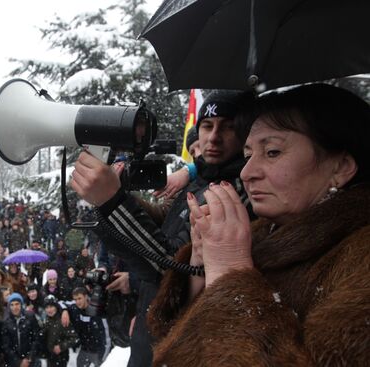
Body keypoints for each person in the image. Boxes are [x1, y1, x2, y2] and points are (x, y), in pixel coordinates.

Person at [147, 83, 370, 366]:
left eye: (272, 152)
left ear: (340, 167)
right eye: (249, 155)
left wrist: (232, 275)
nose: (247, 172)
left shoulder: (361, 261)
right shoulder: (253, 236)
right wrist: (200, 272)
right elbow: (180, 342)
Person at [70, 90, 252, 367]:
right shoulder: (201, 178)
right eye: (207, 126)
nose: (214, 137)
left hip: (177, 345)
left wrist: (112, 202)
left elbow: (174, 270)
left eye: (228, 127)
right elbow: (167, 228)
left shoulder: (232, 193)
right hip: (155, 331)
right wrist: (123, 197)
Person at [63, 287, 109, 367]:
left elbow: (107, 339)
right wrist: (64, 310)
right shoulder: (75, 309)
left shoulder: (98, 312)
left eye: (80, 298)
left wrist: (103, 359)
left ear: (86, 297)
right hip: (84, 350)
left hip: (98, 352)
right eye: (75, 299)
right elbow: (61, 303)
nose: (77, 302)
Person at [1, 293, 41, 367]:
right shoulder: (6, 322)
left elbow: (36, 338)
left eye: (17, 304)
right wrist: (18, 361)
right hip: (14, 362)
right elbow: (6, 345)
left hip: (31, 360)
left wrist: (30, 356)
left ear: (21, 305)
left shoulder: (30, 317)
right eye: (12, 305)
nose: (14, 307)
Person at [41, 295, 78, 367]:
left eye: (51, 306)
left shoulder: (63, 320)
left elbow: (74, 338)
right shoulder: (46, 320)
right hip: (50, 356)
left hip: (61, 357)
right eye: (47, 307)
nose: (49, 310)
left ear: (56, 307)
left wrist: (61, 346)